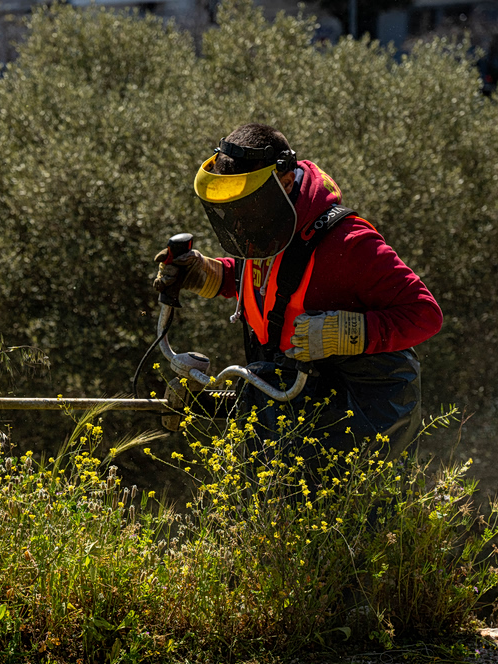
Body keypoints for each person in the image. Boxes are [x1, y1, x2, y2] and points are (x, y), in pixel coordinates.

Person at [153, 122, 442, 467]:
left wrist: (347, 333)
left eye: (244, 206)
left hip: (362, 420)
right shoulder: (267, 227)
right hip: (297, 403)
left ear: (286, 182)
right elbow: (273, 285)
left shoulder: (349, 244)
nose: (236, 221)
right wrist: (207, 274)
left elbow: (425, 313)